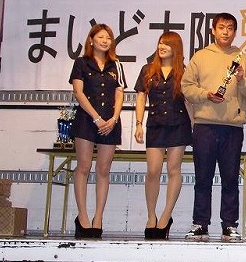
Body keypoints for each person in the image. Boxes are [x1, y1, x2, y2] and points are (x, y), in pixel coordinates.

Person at [181, 13, 246, 241]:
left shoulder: (244, 58)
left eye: (230, 28)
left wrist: (242, 80)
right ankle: (200, 223)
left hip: (232, 127)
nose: (226, 31)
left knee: (230, 178)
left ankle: (229, 225)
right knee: (202, 178)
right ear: (213, 31)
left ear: (235, 32)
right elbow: (186, 87)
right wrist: (206, 94)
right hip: (204, 126)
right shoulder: (201, 56)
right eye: (222, 27)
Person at [69, 24, 126, 239]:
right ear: (91, 40)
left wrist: (114, 118)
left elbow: (119, 93)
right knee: (83, 166)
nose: (105, 41)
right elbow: (78, 92)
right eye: (100, 37)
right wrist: (96, 118)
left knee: (103, 169)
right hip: (87, 119)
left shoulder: (116, 65)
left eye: (108, 38)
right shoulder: (81, 63)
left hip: (110, 122)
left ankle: (98, 218)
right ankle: (82, 217)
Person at [134, 31, 193, 240]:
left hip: (179, 124)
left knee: (174, 169)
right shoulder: (148, 70)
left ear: (176, 48)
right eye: (160, 43)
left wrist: (195, 126)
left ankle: (166, 216)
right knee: (153, 170)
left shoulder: (184, 72)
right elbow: (141, 97)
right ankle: (151, 216)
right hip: (156, 123)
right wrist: (138, 124)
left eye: (167, 44)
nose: (162, 47)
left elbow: (190, 102)